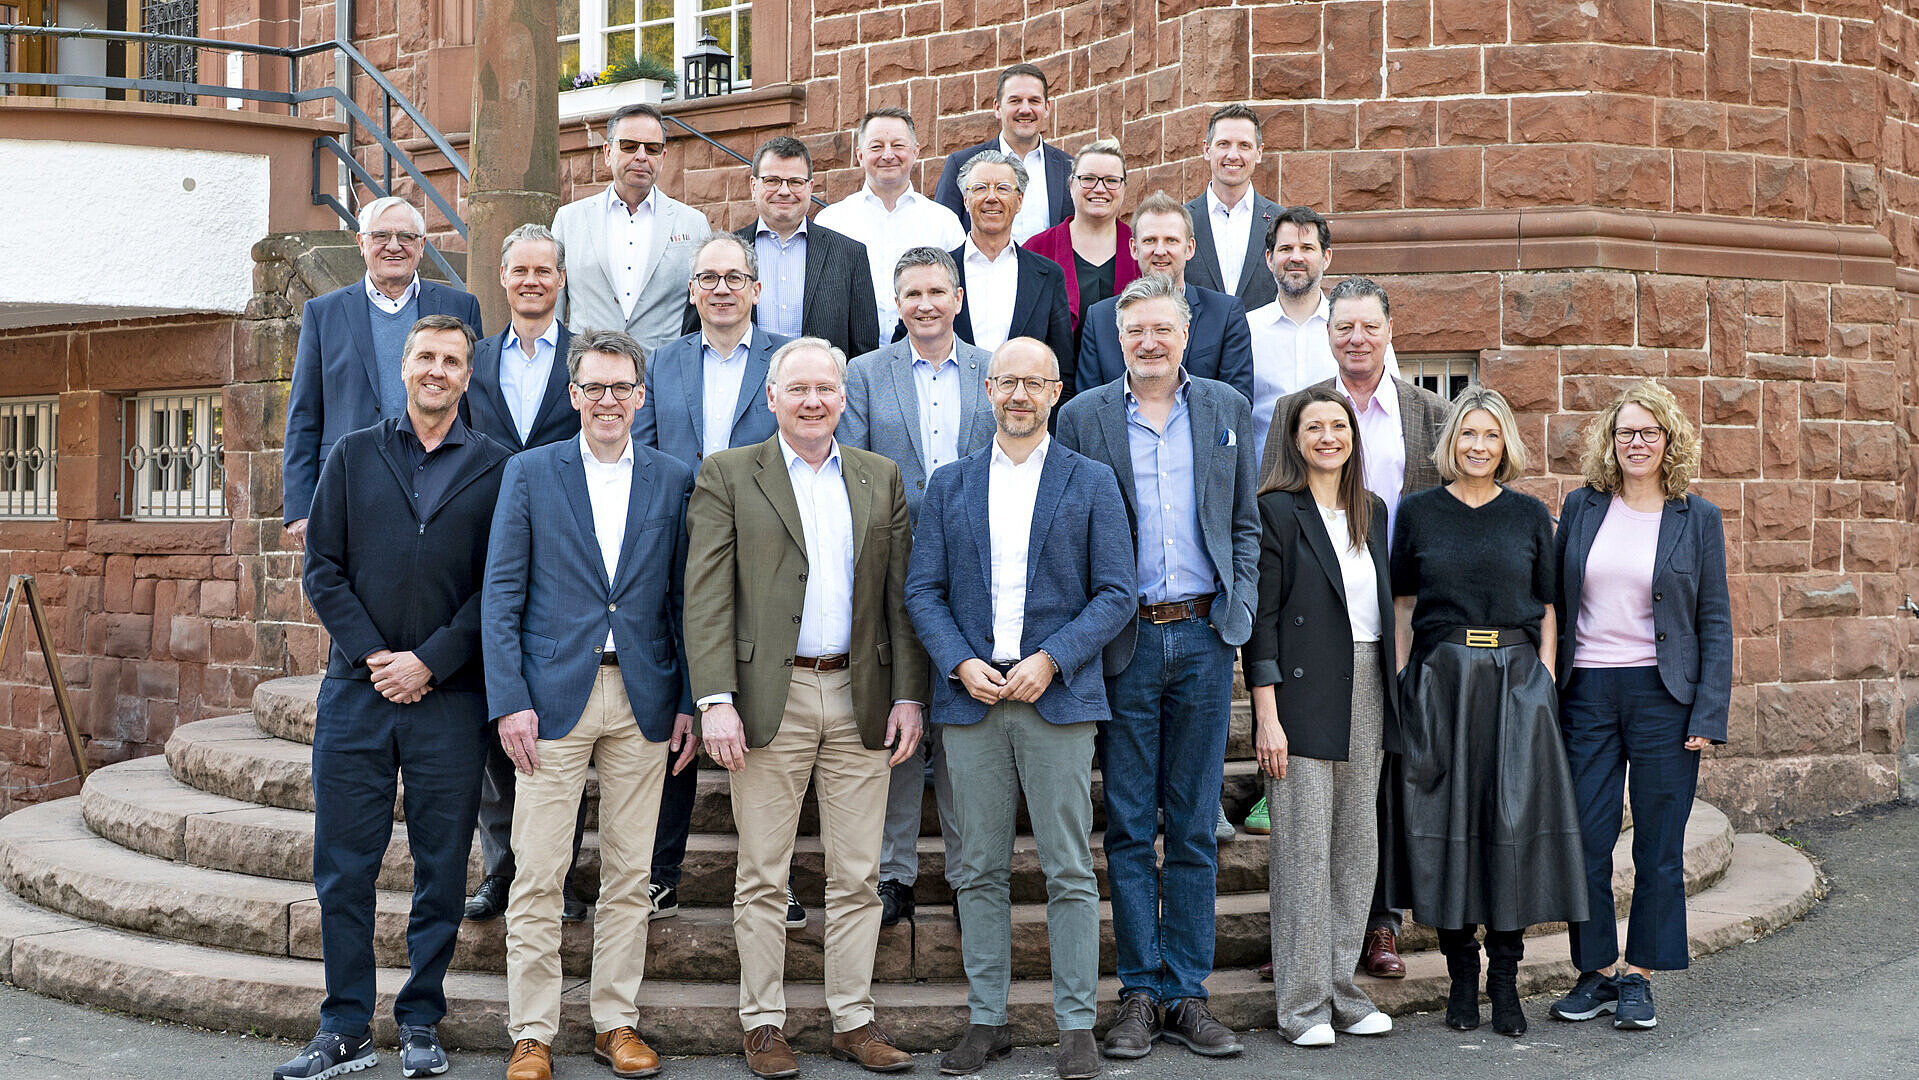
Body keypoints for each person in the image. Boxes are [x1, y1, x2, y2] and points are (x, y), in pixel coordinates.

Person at [683, 337, 925, 1078]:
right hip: (768, 699)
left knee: (857, 875)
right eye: (798, 389)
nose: (813, 401)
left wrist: (909, 693)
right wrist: (715, 700)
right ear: (771, 398)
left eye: (825, 388)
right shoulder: (728, 473)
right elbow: (706, 594)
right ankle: (763, 1024)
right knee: (764, 872)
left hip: (861, 696)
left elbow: (901, 598)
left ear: (843, 397)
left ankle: (854, 1019)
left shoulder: (879, 476)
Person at [282, 314, 509, 1080]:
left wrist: (431, 662)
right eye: (425, 356)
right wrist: (378, 657)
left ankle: (420, 1018)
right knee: (343, 867)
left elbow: (498, 586)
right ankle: (344, 1025)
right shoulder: (352, 455)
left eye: (452, 359)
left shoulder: (498, 468)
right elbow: (322, 569)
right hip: (358, 692)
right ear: (405, 367)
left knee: (441, 868)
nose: (437, 369)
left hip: (450, 699)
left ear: (467, 376)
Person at [904, 338, 1135, 1080]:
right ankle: (987, 1020)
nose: (1018, 395)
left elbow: (1116, 593)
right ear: (988, 389)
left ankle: (1076, 1025)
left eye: (1033, 383)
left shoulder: (1090, 481)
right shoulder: (951, 483)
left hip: (1055, 698)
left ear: (1056, 391)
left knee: (1068, 868)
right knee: (977, 869)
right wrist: (958, 661)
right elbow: (922, 590)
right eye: (1006, 381)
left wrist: (1052, 659)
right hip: (971, 698)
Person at [484, 328, 697, 1080]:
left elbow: (684, 599)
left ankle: (616, 1022)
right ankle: (532, 1033)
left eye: (622, 388)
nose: (609, 400)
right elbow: (501, 593)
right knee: (539, 872)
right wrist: (509, 700)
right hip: (549, 699)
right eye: (594, 387)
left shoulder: (673, 478)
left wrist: (689, 700)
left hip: (644, 697)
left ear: (641, 396)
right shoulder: (529, 473)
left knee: (631, 873)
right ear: (573, 394)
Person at [1054, 275, 1257, 1061]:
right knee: (1131, 825)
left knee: (1195, 824)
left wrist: (1237, 614)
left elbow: (1244, 524)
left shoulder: (1224, 409)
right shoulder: (1084, 416)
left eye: (1161, 329)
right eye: (1134, 330)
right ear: (1116, 338)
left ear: (1183, 335)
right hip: (1125, 644)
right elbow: (1069, 531)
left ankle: (1187, 993)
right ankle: (1140, 992)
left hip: (1204, 637)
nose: (1148, 341)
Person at [1254, 276, 1446, 979]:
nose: (1357, 339)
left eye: (1369, 327)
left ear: (1390, 331)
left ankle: (1379, 926)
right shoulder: (1300, 411)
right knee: (1311, 820)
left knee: (1374, 798)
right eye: (1344, 328)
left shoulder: (1429, 412)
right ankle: (1304, 956)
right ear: (1328, 335)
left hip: (1396, 621)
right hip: (1313, 628)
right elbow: (1273, 517)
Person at [1388, 386, 1586, 1038]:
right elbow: (1403, 605)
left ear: (1505, 445)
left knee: (1509, 827)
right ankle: (1460, 977)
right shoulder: (1418, 513)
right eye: (1468, 434)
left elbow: (1549, 608)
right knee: (1442, 825)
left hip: (1515, 683)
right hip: (1440, 682)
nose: (1478, 446)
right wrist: (1404, 677)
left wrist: (1544, 680)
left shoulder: (1529, 515)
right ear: (1452, 442)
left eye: (1490, 435)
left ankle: (1504, 980)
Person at [1549, 380, 1731, 1032]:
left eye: (1649, 432)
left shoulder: (1696, 517)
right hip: (1587, 696)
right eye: (1625, 431)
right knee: (1585, 838)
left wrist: (1707, 714)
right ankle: (1596, 971)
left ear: (1667, 441)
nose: (1636, 442)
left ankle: (1639, 976)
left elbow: (1714, 621)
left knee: (1657, 845)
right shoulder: (1581, 506)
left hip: (1664, 699)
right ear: (1610, 439)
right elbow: (1555, 603)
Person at [635, 233, 795, 927]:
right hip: (677, 550)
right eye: (708, 278)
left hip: (766, 553)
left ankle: (776, 877)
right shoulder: (662, 362)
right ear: (692, 291)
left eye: (734, 277)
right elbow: (642, 454)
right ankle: (660, 873)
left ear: (756, 288)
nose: (721, 288)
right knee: (676, 707)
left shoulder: (788, 359)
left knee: (765, 711)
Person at [841, 246, 998, 926]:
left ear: (958, 298)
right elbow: (851, 469)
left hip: (976, 568)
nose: (926, 304)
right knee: (897, 717)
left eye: (938, 291)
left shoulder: (993, 370)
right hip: (890, 564)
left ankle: (969, 878)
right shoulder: (864, 374)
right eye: (913, 293)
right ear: (897, 303)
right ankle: (893, 875)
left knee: (961, 723)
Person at [1243, 386, 1397, 1047]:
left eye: (1339, 425)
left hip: (1367, 683)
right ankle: (1303, 1007)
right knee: (1303, 852)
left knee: (1356, 848)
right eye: (1314, 427)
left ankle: (1342, 992)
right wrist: (1266, 715)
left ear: (1353, 437)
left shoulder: (1373, 510)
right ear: (1295, 439)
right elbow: (1263, 621)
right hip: (1300, 691)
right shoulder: (1275, 510)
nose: (1328, 436)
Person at [458, 222, 590, 925]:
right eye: (521, 270)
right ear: (503, 278)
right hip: (484, 545)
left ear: (560, 280)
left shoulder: (587, 358)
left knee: (562, 718)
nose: (533, 281)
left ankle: (557, 871)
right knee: (494, 713)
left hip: (567, 553)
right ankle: (501, 866)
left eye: (545, 270)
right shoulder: (474, 360)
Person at [282, 196, 482, 548]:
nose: (394, 246)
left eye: (406, 237)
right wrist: (300, 506)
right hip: (348, 485)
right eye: (381, 236)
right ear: (361, 243)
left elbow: (473, 404)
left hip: (440, 481)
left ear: (422, 246)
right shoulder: (323, 313)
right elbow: (304, 414)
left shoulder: (459, 306)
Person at [689, 137, 877, 360]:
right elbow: (694, 338)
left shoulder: (849, 255)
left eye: (795, 182)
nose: (784, 191)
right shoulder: (719, 255)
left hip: (819, 381)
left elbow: (865, 354)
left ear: (810, 187)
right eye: (772, 181)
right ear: (753, 186)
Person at [552, 102, 712, 355]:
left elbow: (704, 310)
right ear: (607, 152)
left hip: (662, 369)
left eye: (652, 148)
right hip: (588, 369)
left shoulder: (693, 223)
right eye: (629, 146)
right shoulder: (569, 220)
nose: (641, 156)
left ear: (663, 157)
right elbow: (555, 308)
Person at [1075, 193, 1254, 405]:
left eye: (1171, 240)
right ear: (1134, 248)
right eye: (1149, 240)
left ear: (1189, 248)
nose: (1160, 251)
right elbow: (1089, 407)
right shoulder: (1100, 319)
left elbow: (1237, 405)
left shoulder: (1225, 314)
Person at [815, 108, 967, 348]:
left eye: (898, 145)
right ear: (860, 155)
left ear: (915, 152)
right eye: (876, 146)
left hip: (925, 355)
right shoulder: (831, 221)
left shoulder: (944, 222)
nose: (888, 155)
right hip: (849, 356)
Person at [942, 152, 1076, 399]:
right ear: (965, 200)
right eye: (980, 188)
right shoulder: (939, 272)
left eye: (1003, 188)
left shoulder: (1048, 276)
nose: (991, 197)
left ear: (1020, 200)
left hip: (1023, 411)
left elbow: (1062, 369)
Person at [1021, 138, 1140, 351]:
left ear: (1124, 188)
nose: (1100, 188)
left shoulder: (1141, 249)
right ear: (1071, 185)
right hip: (1056, 369)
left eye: (1111, 180)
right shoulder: (1037, 249)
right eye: (1088, 179)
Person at [933, 64, 1072, 242]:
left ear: (1047, 108)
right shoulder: (960, 164)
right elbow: (942, 234)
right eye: (1015, 101)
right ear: (997, 108)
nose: (1025, 109)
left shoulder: (1069, 169)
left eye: (1034, 101)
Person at [1184, 105, 1281, 311]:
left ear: (1259, 153)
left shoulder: (1280, 221)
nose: (1233, 155)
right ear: (1207, 150)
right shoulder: (1181, 221)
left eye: (1244, 145)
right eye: (1223, 144)